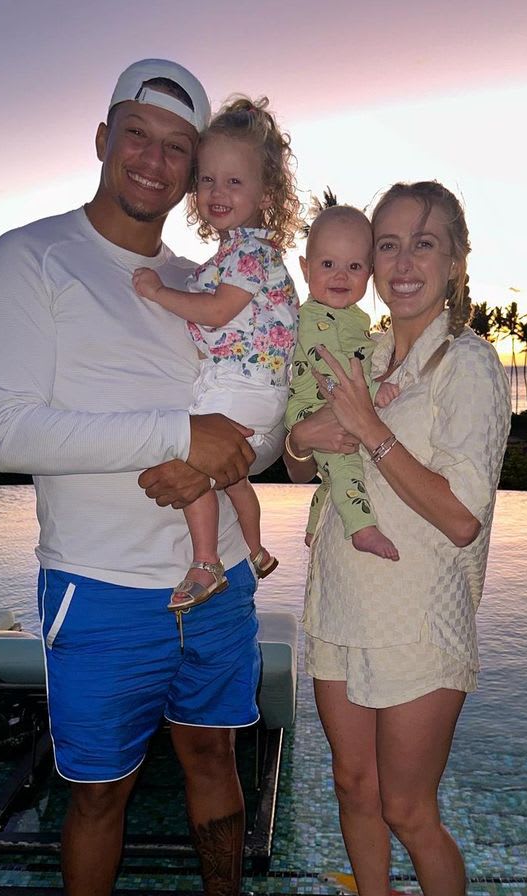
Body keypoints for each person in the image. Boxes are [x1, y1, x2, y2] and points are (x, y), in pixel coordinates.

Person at [0, 58, 279, 896]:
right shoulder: (31, 258)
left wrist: (215, 461)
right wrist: (176, 440)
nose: (154, 158)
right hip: (96, 586)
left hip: (215, 576)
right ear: (103, 139)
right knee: (97, 791)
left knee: (216, 764)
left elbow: (253, 426)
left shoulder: (202, 279)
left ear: (194, 172)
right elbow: (5, 432)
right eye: (136, 134)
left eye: (177, 147)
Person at [284, 181, 511, 896]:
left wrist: (371, 429)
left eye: (425, 243)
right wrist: (304, 438)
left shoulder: (469, 365)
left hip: (419, 616)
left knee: (410, 806)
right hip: (339, 599)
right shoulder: (361, 346)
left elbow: (460, 516)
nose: (403, 261)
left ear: (454, 260)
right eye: (389, 243)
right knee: (352, 783)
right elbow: (302, 450)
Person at [132, 96, 300, 612]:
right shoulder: (234, 252)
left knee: (191, 459)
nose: (217, 192)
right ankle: (254, 551)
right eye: (207, 180)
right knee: (235, 478)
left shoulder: (250, 252)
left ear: (265, 192)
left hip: (242, 388)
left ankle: (206, 564)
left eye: (234, 182)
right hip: (246, 388)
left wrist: (159, 293)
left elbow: (219, 311)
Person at [284, 205, 398, 558]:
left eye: (354, 267)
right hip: (315, 406)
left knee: (337, 472)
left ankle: (315, 524)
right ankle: (361, 529)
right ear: (305, 268)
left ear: (370, 273)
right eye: (328, 264)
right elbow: (331, 366)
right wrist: (376, 391)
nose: (340, 276)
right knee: (346, 462)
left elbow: (356, 354)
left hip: (331, 402)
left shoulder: (351, 316)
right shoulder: (313, 317)